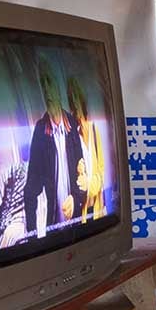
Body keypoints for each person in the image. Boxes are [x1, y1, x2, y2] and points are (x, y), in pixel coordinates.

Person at [24, 57, 85, 235]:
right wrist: (31, 234)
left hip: (77, 219)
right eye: (43, 85)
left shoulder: (72, 124)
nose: (47, 91)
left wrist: (76, 196)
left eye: (49, 83)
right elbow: (31, 186)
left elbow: (81, 169)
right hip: (54, 224)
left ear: (57, 88)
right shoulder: (41, 130)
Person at [65, 77, 105, 223]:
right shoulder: (73, 136)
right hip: (83, 213)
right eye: (71, 99)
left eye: (75, 97)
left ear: (81, 99)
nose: (74, 104)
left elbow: (101, 173)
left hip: (97, 209)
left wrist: (90, 184)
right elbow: (74, 177)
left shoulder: (94, 130)